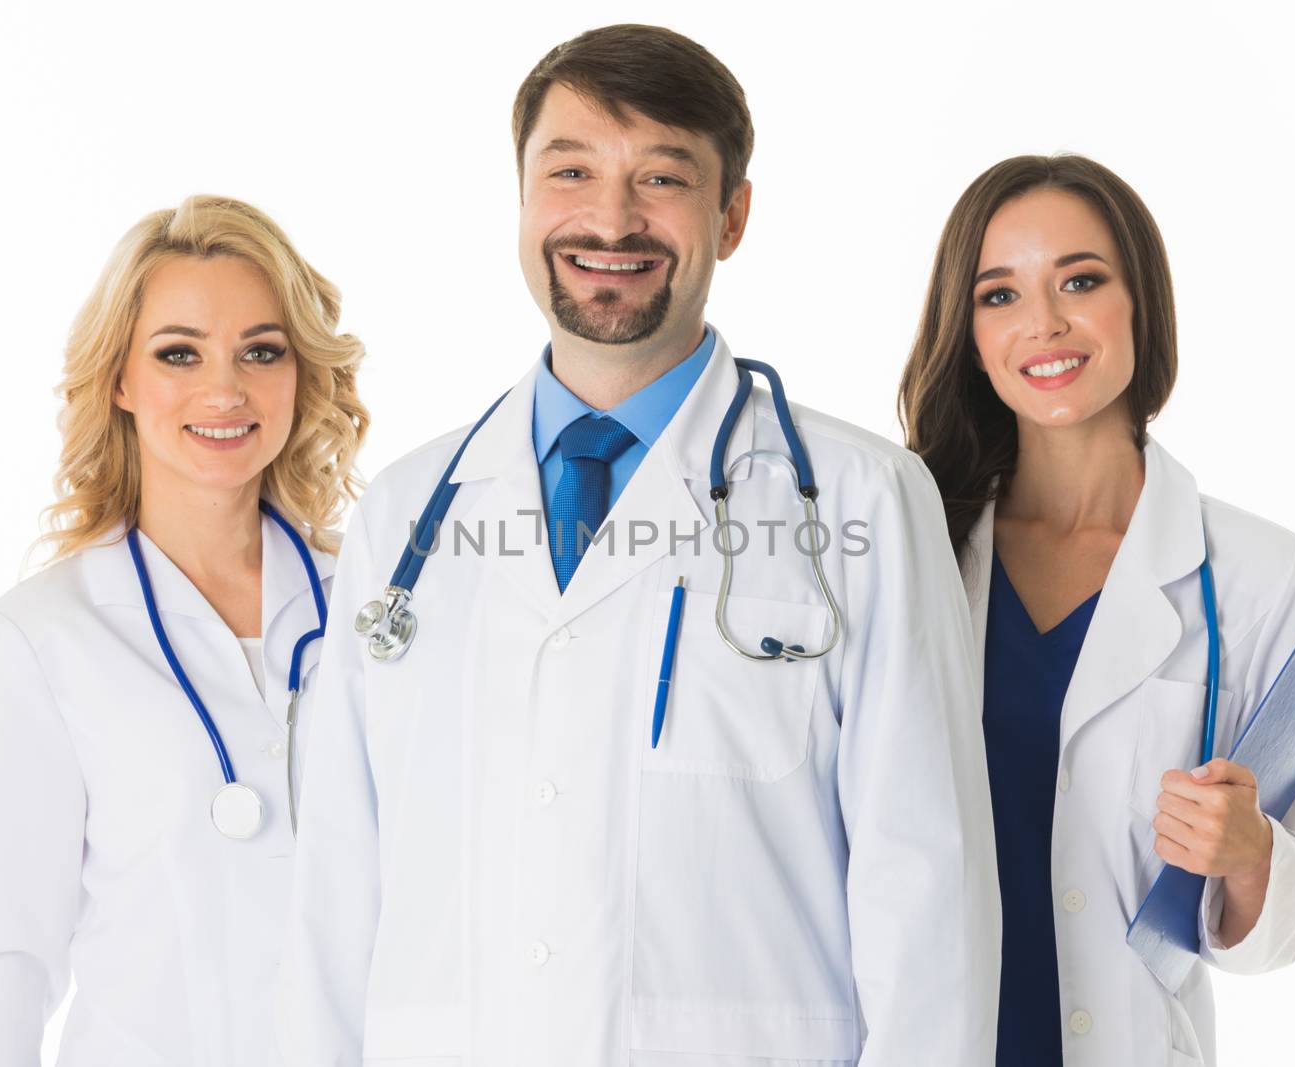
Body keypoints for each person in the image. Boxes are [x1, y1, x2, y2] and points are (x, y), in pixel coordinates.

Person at [276, 23, 999, 1067]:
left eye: (661, 177)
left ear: (732, 214)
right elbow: (336, 894)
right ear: (522, 197)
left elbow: (927, 898)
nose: (609, 218)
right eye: (569, 171)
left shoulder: (865, 500)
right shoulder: (404, 515)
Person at [900, 154, 1295, 1066]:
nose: (1045, 323)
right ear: (968, 332)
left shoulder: (1258, 575)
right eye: (999, 296)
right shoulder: (909, 548)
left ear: (1140, 301)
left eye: (1080, 281)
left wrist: (1249, 851)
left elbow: (1283, 922)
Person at [0, 195, 369, 1066]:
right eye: (179, 353)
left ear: (300, 373)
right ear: (121, 381)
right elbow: (2, 962)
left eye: (261, 350)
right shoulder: (41, 638)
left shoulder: (373, 603)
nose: (225, 389)